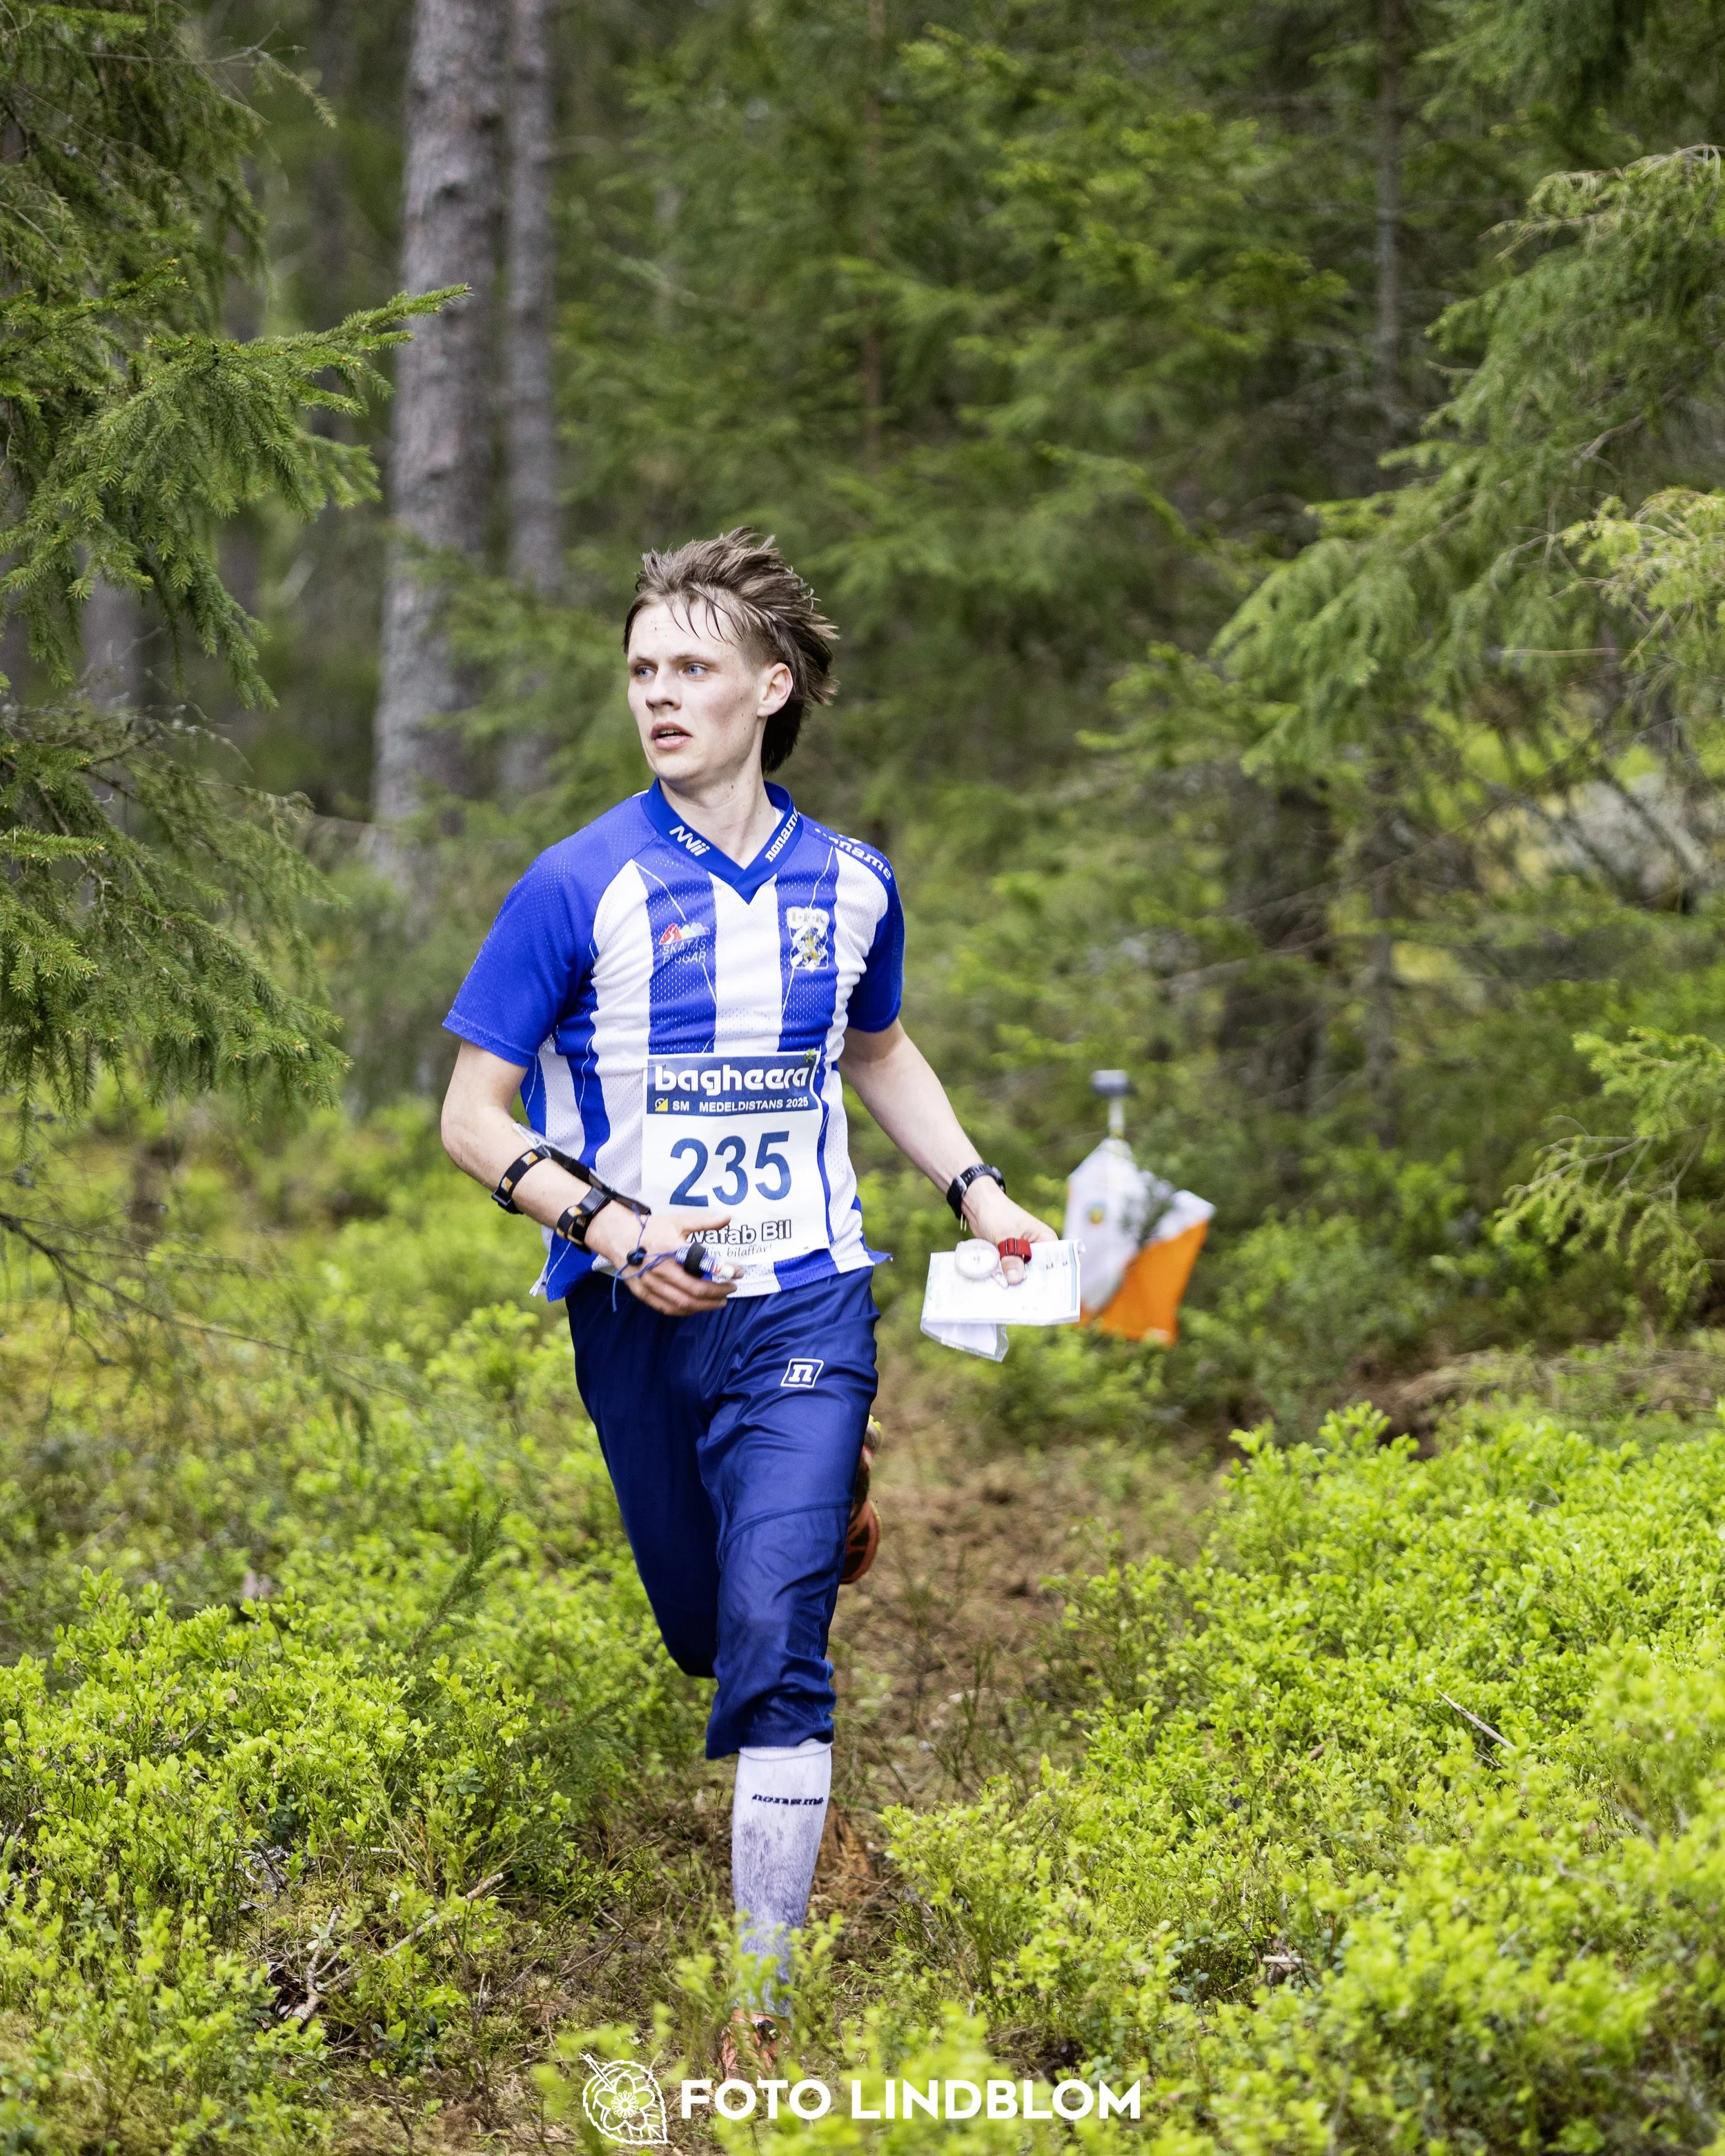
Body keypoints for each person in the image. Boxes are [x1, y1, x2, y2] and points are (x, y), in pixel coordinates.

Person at [439, 529, 1054, 2055]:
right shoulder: (574, 883)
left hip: (804, 1300)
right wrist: (602, 1222)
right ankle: (801, 1526)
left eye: (693, 667)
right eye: (642, 668)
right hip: (633, 1310)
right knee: (706, 1627)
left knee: (778, 1642)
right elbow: (470, 1115)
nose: (659, 694)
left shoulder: (852, 885)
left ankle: (757, 2004)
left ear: (768, 690)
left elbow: (877, 1048)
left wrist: (975, 1187)